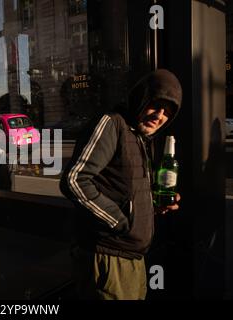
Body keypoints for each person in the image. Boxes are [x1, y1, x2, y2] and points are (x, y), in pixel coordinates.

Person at [60, 69, 183, 300]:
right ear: (141, 98)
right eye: (156, 105)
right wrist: (119, 221)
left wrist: (149, 208)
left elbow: (122, 190)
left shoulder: (138, 137)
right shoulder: (112, 124)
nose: (159, 116)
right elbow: (75, 180)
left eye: (168, 112)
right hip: (109, 259)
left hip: (132, 259)